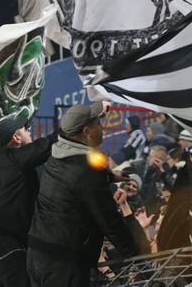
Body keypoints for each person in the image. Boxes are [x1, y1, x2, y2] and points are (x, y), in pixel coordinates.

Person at [26, 102, 140, 287]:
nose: (102, 127)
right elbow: (108, 219)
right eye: (98, 123)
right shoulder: (87, 172)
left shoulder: (59, 153)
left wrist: (109, 176)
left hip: (37, 254)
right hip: (63, 262)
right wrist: (135, 255)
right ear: (87, 132)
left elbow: (77, 178)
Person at [0, 113, 58, 287]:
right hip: (2, 242)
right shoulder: (10, 157)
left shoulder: (1, 165)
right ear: (16, 138)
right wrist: (89, 114)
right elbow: (47, 144)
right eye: (26, 130)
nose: (30, 134)